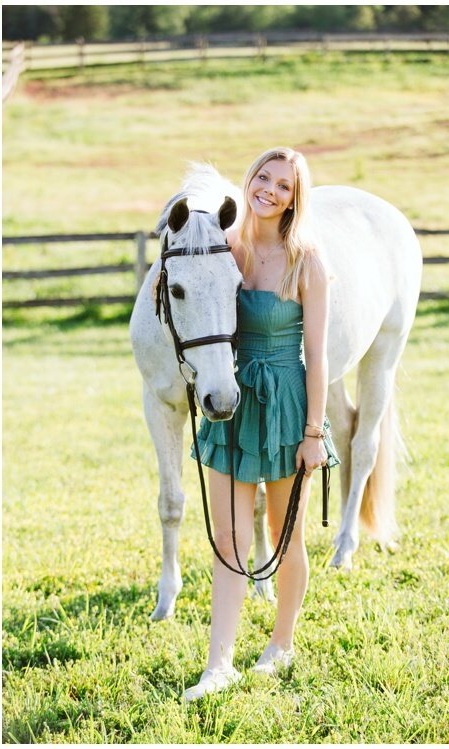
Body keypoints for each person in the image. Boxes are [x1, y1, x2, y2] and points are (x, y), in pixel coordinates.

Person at [183, 147, 339, 701]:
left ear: (296, 200)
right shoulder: (225, 251)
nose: (269, 191)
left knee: (283, 534)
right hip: (231, 400)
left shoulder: (308, 262)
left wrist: (315, 433)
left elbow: (316, 355)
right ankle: (218, 663)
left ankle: (281, 644)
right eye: (263, 178)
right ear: (248, 180)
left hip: (286, 406)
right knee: (227, 536)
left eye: (284, 186)